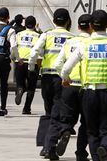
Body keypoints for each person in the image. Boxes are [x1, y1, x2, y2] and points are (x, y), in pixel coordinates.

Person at [61, 10, 107, 161]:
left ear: (91, 26)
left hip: (89, 93)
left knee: (92, 132)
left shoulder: (84, 44)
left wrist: (65, 79)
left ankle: (96, 156)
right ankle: (104, 147)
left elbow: (66, 68)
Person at [29, 8, 74, 159]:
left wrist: (32, 67)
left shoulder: (46, 35)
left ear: (54, 21)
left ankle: (44, 145)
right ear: (68, 21)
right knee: (57, 111)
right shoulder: (72, 38)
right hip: (62, 78)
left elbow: (34, 52)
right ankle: (51, 145)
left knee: (49, 110)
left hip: (47, 77)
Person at [53, 14, 93, 161]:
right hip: (87, 86)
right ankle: (81, 153)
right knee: (85, 122)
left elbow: (58, 64)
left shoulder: (69, 42)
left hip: (69, 85)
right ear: (91, 26)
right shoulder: (92, 43)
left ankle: (65, 131)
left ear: (78, 26)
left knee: (67, 117)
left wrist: (65, 78)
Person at [15, 15, 41, 114]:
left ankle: (20, 89)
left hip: (20, 62)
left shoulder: (19, 34)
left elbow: (14, 46)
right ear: (34, 25)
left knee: (20, 83)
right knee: (31, 87)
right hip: (32, 62)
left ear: (24, 24)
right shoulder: (38, 36)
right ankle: (27, 108)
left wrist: (16, 58)